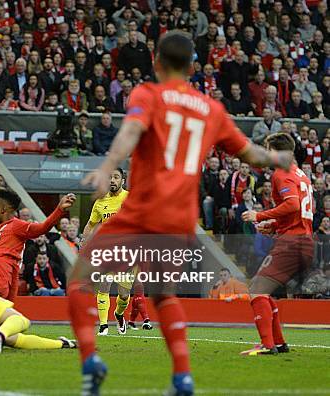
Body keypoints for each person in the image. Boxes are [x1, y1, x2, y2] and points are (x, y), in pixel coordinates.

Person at [68, 31, 294, 396]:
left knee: (80, 276)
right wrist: (278, 159)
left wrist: (108, 163)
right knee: (164, 295)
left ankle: (91, 358)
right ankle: (182, 378)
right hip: (179, 220)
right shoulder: (213, 110)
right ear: (192, 67)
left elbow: (131, 130)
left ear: (156, 62)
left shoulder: (148, 94)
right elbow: (252, 155)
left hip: (141, 210)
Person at [241, 133, 313, 355]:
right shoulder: (301, 175)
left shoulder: (281, 173)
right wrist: (273, 225)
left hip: (292, 242)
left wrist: (259, 216)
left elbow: (292, 205)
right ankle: (279, 343)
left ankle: (266, 344)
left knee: (256, 290)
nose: (266, 154)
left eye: (268, 149)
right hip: (303, 240)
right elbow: (300, 211)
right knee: (264, 291)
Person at [81, 168, 141, 335]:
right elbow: (91, 224)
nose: (112, 180)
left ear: (123, 180)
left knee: (123, 295)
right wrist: (83, 242)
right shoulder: (100, 201)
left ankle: (119, 314)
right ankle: (103, 325)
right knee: (104, 284)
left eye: (116, 177)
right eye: (110, 177)